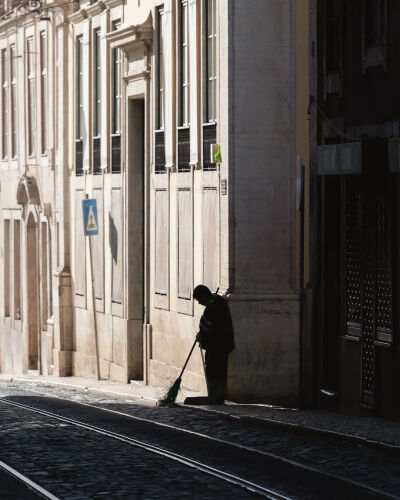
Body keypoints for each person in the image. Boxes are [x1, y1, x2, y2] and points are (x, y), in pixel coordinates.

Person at [193, 285, 235, 404]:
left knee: (217, 371)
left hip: (219, 346)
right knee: (212, 370)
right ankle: (214, 395)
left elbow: (214, 327)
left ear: (205, 296)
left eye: (200, 300)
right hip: (215, 345)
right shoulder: (214, 304)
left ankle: (217, 396)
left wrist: (203, 335)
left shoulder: (217, 306)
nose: (200, 303)